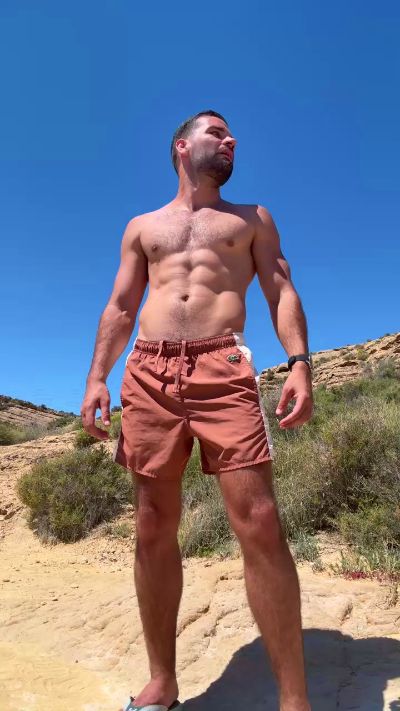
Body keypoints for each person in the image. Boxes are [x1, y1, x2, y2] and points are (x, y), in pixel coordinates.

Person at [81, 110, 314, 711]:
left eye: (232, 135)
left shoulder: (251, 219)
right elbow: (121, 306)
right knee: (152, 523)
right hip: (148, 372)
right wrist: (97, 377)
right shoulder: (143, 226)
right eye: (217, 132)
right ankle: (162, 681)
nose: (231, 140)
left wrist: (299, 362)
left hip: (222, 368)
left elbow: (280, 288)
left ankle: (294, 700)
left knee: (259, 520)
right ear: (182, 147)